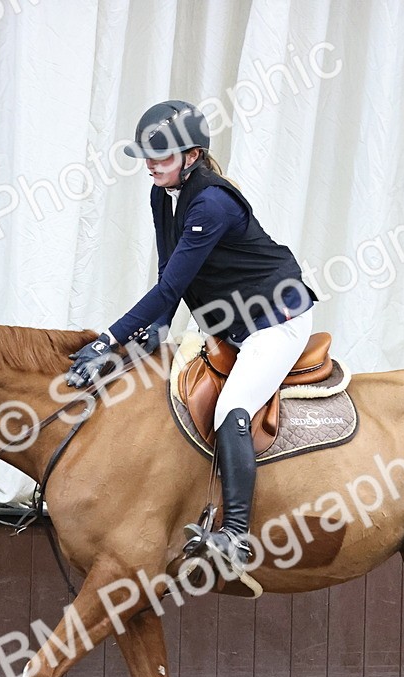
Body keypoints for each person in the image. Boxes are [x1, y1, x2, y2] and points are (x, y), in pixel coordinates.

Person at [65, 99, 318, 570]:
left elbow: (170, 287)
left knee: (231, 407)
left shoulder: (213, 202)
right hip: (230, 324)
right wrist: (150, 335)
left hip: (275, 320)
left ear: (193, 156)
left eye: (161, 157)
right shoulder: (164, 194)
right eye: (147, 157)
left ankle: (237, 536)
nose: (150, 166)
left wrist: (107, 341)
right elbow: (170, 274)